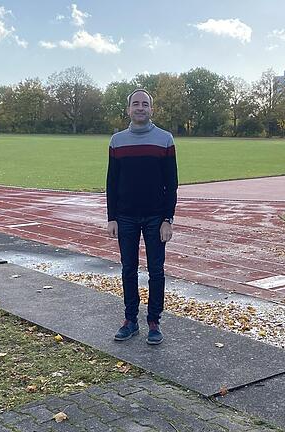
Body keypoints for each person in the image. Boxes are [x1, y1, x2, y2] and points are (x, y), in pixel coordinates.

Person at [106, 88, 178, 345]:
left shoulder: (165, 139)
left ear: (151, 109)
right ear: (128, 109)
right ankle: (130, 320)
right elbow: (111, 183)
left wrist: (168, 219)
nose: (140, 108)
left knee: (156, 271)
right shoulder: (117, 141)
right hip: (125, 216)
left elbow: (172, 183)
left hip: (155, 217)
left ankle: (154, 321)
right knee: (128, 270)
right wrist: (111, 217)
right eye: (135, 104)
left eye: (144, 104)